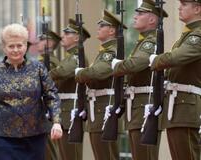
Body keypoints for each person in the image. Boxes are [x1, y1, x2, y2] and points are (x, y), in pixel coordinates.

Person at [0, 23, 63, 160]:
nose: (16, 50)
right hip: (1, 138)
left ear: (26, 46)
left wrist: (56, 121)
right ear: (4, 48)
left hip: (35, 137)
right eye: (11, 46)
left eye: (19, 45)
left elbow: (51, 95)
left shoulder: (38, 69)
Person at [110, 0, 168, 159]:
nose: (135, 16)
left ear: (152, 20)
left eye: (140, 13)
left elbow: (135, 64)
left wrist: (117, 65)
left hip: (144, 107)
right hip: (137, 107)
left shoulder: (150, 43)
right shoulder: (142, 42)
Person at [149, 0, 201, 159]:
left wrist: (156, 60)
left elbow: (178, 57)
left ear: (198, 8)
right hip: (177, 105)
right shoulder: (186, 36)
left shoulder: (198, 34)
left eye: (184, 4)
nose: (179, 7)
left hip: (186, 106)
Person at [75, 10, 127, 160]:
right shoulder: (103, 52)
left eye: (102, 25)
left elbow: (98, 72)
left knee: (107, 156)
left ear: (111, 30)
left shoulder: (111, 52)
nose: (98, 27)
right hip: (97, 111)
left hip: (105, 110)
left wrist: (80, 73)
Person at [49, 18, 91, 160]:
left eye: (68, 33)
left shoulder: (77, 56)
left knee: (71, 155)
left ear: (77, 38)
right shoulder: (69, 57)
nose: (63, 36)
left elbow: (63, 72)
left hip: (72, 111)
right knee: (65, 154)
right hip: (65, 111)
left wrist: (42, 77)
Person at [36, 29, 62, 160]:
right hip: (39, 110)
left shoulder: (50, 62)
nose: (37, 42)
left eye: (41, 39)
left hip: (47, 109)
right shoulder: (39, 61)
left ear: (50, 43)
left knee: (48, 152)